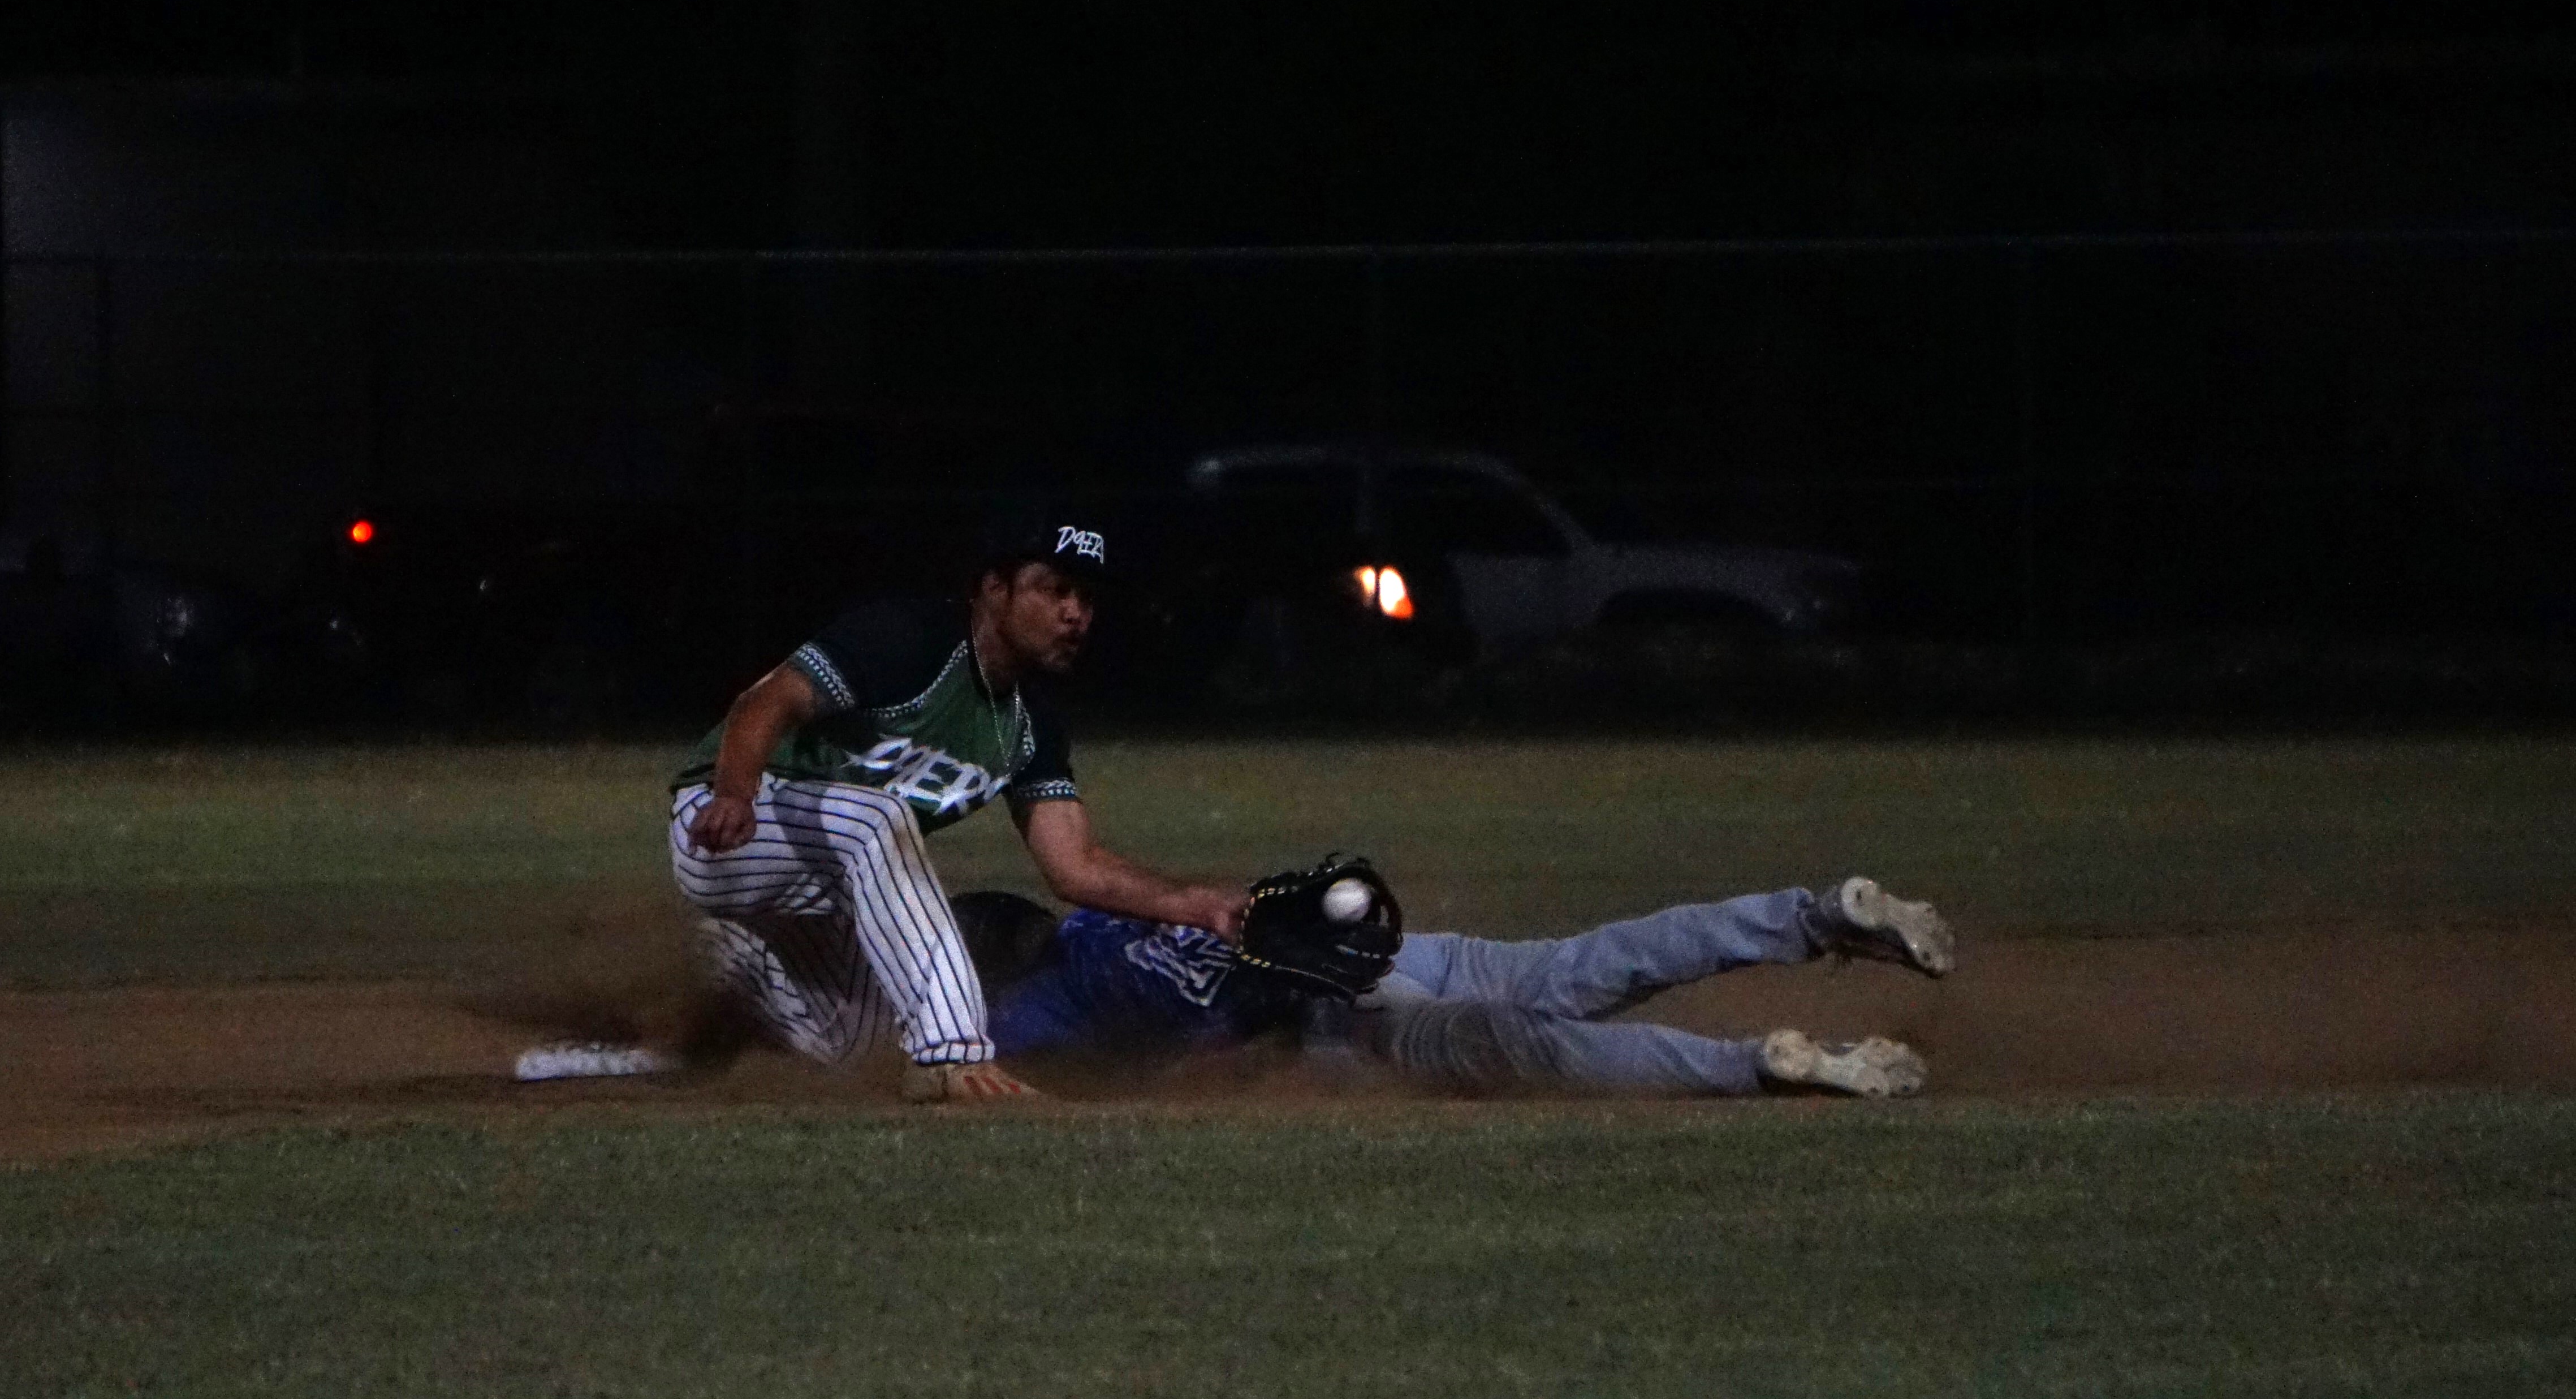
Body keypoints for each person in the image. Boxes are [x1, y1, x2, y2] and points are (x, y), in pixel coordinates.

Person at [527, 513, 1248, 1101]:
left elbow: (1075, 866)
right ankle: (952, 1055)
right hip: (734, 827)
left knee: (853, 1049)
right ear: (992, 591)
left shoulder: (1030, 725)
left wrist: (1195, 904)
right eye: (1054, 588)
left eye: (1086, 598)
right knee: (879, 819)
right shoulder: (909, 641)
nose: (1074, 613)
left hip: (825, 884)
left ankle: (708, 994)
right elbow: (766, 701)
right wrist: (733, 793)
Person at [947, 876, 1954, 1097]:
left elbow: (979, 1070)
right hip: (1400, 950)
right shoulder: (1110, 908)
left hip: (1346, 1015)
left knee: (1530, 1046)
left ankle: (1756, 1066)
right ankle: (1818, 912)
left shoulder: (1035, 1001)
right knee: (1594, 955)